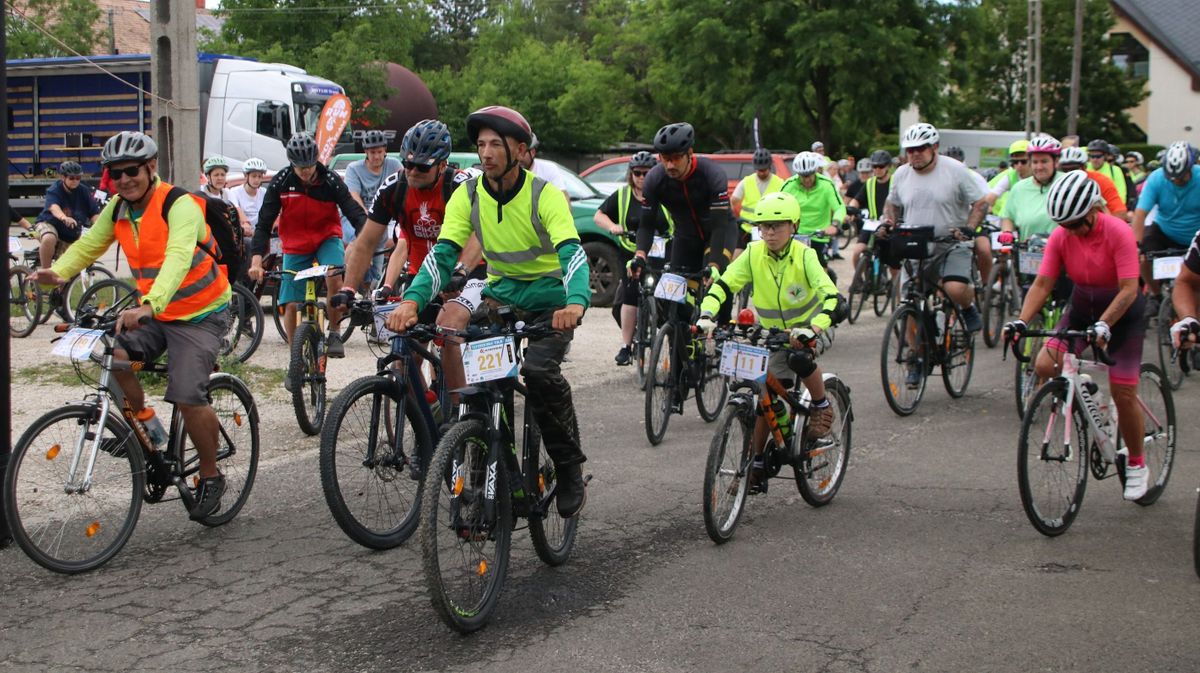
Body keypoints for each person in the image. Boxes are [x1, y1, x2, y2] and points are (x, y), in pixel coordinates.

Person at [387, 105, 590, 519]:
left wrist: (576, 302)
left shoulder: (543, 194)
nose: (487, 153)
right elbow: (442, 255)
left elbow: (572, 252)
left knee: (538, 374)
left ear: (519, 149)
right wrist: (412, 300)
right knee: (476, 372)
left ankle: (568, 468)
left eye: (496, 144)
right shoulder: (470, 194)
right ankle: (484, 479)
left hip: (552, 301)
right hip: (502, 295)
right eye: (481, 145)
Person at [34, 131, 233, 519]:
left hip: (200, 312)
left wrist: (150, 304)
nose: (124, 180)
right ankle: (148, 433)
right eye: (115, 173)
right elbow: (91, 244)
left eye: (131, 171)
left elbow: (177, 257)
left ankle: (210, 476)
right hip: (156, 310)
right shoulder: (118, 208)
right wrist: (57, 273)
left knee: (188, 393)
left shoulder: (179, 204)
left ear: (151, 168)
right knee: (114, 354)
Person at [1002, 171, 1148, 501]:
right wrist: (1021, 321)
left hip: (1123, 313)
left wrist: (1107, 323)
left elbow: (1128, 290)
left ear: (1094, 210)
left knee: (1124, 393)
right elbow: (1042, 284)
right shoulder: (1061, 236)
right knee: (1044, 364)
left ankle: (1137, 463)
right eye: (1064, 225)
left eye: (1075, 224)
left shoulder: (1118, 232)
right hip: (1083, 307)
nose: (1070, 231)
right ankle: (1085, 393)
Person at [696, 191, 837, 491]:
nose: (770, 232)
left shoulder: (805, 255)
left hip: (810, 331)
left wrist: (815, 327)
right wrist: (707, 314)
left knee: (800, 358)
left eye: (778, 225)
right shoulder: (752, 253)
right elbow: (725, 283)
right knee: (764, 398)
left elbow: (830, 293)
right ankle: (757, 463)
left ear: (794, 226)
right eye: (764, 227)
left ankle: (821, 405)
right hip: (774, 336)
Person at [334, 118, 483, 393]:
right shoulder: (395, 187)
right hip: (422, 275)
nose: (412, 171)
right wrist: (348, 287)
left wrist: (460, 272)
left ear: (442, 165)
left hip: (469, 272)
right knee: (405, 352)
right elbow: (365, 242)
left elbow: (480, 235)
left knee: (450, 332)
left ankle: (462, 421)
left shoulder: (461, 186)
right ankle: (427, 415)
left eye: (422, 166)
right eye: (407, 163)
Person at [246, 132, 366, 363]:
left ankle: (334, 333)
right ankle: (295, 360)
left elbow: (355, 214)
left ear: (316, 159)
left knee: (334, 276)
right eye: (300, 167)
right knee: (290, 305)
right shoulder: (281, 182)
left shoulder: (330, 180)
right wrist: (256, 260)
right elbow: (263, 224)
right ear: (291, 162)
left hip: (326, 238)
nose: (305, 171)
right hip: (295, 244)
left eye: (310, 166)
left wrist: (361, 246)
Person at [882, 122, 989, 340]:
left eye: (920, 148)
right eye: (910, 150)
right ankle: (915, 360)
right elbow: (892, 203)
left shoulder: (956, 170)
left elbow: (980, 202)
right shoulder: (901, 174)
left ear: (935, 147)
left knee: (955, 288)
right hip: (916, 245)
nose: (915, 154)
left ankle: (968, 307)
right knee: (909, 304)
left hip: (951, 243)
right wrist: (889, 223)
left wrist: (969, 228)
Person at [630, 122, 734, 299]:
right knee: (675, 300)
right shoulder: (655, 179)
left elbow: (719, 226)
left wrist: (714, 264)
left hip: (718, 234)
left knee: (716, 286)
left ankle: (722, 322)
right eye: (665, 158)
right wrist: (640, 255)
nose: (670, 165)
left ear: (690, 154)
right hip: (686, 237)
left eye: (676, 158)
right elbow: (646, 225)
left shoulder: (711, 174)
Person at [593, 151, 670, 365]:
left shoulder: (665, 194)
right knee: (628, 294)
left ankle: (673, 342)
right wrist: (612, 226)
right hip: (631, 253)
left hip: (663, 255)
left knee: (670, 300)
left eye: (647, 173)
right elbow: (598, 215)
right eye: (637, 173)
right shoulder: (623, 195)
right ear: (631, 174)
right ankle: (626, 346)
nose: (642, 177)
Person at [1132, 142, 1200, 316]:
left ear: (1191, 168)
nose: (1176, 180)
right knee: (1143, 259)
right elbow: (1140, 214)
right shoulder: (1156, 178)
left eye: (1181, 176)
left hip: (1194, 234)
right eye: (1172, 177)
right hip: (1164, 230)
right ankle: (1155, 295)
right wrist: (1136, 244)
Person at [344, 129, 402, 286]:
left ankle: (374, 285)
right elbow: (354, 197)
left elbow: (404, 190)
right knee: (359, 240)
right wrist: (369, 221)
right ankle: (348, 280)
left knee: (374, 277)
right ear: (365, 152)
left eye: (379, 152)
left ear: (385, 151)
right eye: (372, 152)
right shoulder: (354, 169)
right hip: (357, 215)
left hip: (384, 217)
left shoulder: (394, 165)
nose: (376, 156)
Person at [782, 152, 846, 276]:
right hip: (796, 234)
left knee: (820, 267)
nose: (807, 179)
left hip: (819, 234)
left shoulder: (826, 184)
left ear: (815, 171)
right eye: (803, 176)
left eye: (810, 175)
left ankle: (826, 293)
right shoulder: (789, 185)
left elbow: (839, 208)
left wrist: (834, 224)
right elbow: (776, 204)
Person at [32, 161, 101, 269]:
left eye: (78, 178)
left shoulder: (84, 191)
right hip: (49, 223)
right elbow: (54, 207)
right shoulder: (55, 190)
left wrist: (100, 227)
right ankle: (46, 273)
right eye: (72, 178)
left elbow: (94, 213)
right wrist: (64, 217)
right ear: (62, 177)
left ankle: (62, 285)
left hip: (70, 233)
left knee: (66, 270)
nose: (75, 181)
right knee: (49, 238)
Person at [999, 136, 1064, 241]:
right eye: (1035, 162)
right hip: (1029, 252)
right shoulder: (1019, 188)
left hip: (1062, 250)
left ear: (1055, 162)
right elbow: (1008, 217)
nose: (1039, 167)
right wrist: (1007, 232)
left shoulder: (1068, 182)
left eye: (1044, 161)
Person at [846, 150, 894, 277]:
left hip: (889, 224)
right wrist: (850, 209)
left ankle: (893, 287)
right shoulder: (870, 183)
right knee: (857, 251)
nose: (877, 169)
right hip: (872, 223)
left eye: (881, 166)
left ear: (888, 166)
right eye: (874, 166)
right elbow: (856, 200)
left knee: (893, 261)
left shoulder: (895, 182)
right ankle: (860, 280)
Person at [730, 147, 783, 258]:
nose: (761, 173)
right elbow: (733, 201)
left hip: (769, 229)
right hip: (747, 227)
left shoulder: (779, 183)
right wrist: (732, 217)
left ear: (769, 167)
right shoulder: (747, 181)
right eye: (759, 170)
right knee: (736, 256)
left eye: (764, 170)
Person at [227, 157, 268, 239]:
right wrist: (245, 223)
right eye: (254, 176)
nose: (257, 179)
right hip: (244, 235)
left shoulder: (264, 192)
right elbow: (236, 209)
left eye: (259, 177)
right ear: (246, 176)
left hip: (260, 234)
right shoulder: (234, 192)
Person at [1087, 138, 1129, 207]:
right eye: (1092, 156)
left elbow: (1121, 193)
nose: (1095, 159)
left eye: (1098, 156)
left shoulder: (1115, 170)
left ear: (1105, 156)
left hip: (1109, 208)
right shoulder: (1085, 168)